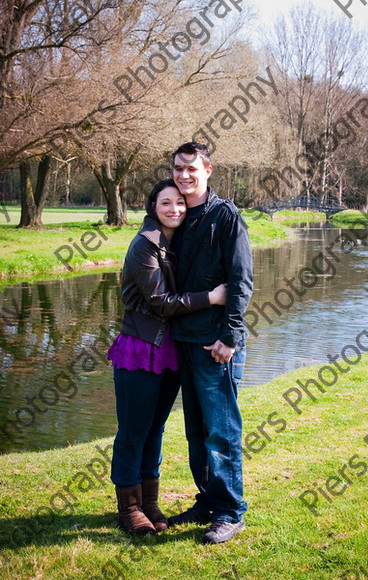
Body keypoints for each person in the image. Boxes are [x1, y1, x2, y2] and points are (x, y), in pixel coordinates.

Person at [107, 178, 227, 535]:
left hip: (170, 351)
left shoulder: (179, 243)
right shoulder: (145, 245)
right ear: (152, 208)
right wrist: (213, 297)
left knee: (155, 429)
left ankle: (149, 502)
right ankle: (129, 509)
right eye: (165, 204)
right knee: (133, 431)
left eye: (179, 203)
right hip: (141, 349)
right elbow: (160, 303)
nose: (174, 209)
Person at [168, 142, 253, 544]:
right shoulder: (178, 216)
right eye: (178, 169)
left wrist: (230, 337)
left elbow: (241, 281)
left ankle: (230, 511)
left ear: (208, 170)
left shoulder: (226, 216)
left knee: (221, 431)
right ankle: (206, 500)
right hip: (184, 340)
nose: (184, 175)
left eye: (191, 168)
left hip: (216, 344)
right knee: (195, 431)